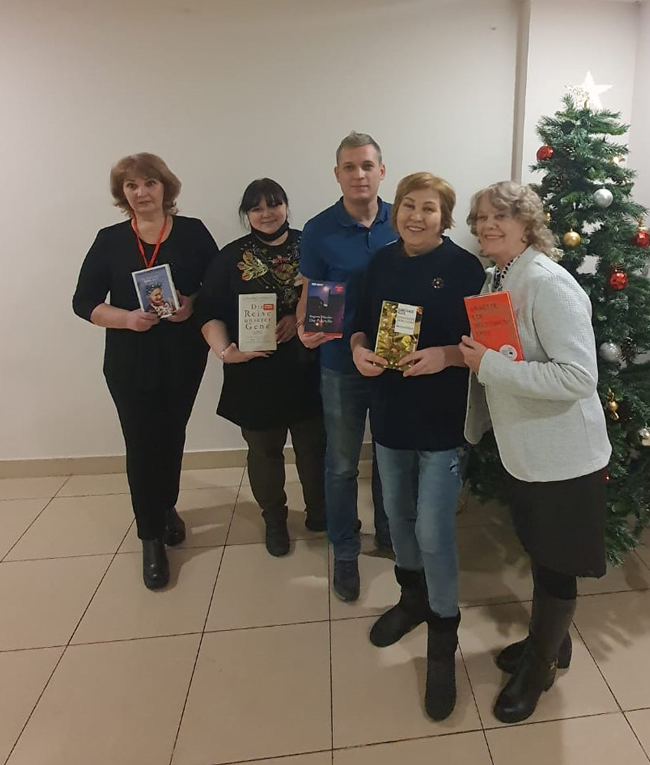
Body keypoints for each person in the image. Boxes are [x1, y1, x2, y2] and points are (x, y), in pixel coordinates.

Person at [460, 181, 612, 724]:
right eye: (480, 218)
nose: (486, 226)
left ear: (526, 223)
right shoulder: (498, 276)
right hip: (527, 450)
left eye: (499, 216)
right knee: (542, 551)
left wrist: (490, 367)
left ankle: (539, 667)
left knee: (556, 564)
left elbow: (578, 377)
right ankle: (551, 643)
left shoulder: (549, 283)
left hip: (564, 456)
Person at [351, 172, 484, 721]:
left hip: (442, 420)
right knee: (397, 516)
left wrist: (445, 356)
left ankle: (442, 639)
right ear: (395, 211)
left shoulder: (466, 269)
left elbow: (486, 345)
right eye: (408, 205)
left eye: (428, 208)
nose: (416, 216)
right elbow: (359, 325)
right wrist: (358, 350)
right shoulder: (380, 262)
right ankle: (412, 600)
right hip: (390, 413)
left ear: (444, 218)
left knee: (433, 529)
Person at [73, 153, 217, 590]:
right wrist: (126, 318)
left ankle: (166, 506)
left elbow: (216, 287)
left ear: (165, 187)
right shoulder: (109, 240)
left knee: (172, 435)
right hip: (129, 359)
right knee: (141, 443)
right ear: (123, 194)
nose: (141, 192)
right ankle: (150, 537)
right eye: (131, 186)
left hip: (183, 355)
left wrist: (191, 303)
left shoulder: (193, 232)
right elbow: (83, 302)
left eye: (149, 183)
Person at [197, 179, 325, 557]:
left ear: (286, 206)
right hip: (254, 372)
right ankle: (274, 520)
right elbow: (207, 310)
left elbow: (329, 295)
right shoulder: (230, 256)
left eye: (274, 204)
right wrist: (225, 351)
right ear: (246, 214)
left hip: (307, 366)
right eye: (257, 207)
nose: (267, 213)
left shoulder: (311, 246)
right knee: (264, 452)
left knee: (314, 448)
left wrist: (298, 320)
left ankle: (320, 512)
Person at [297, 131, 397, 602]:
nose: (359, 174)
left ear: (382, 171)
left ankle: (390, 533)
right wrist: (305, 326)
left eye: (367, 165)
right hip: (340, 362)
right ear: (337, 174)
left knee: (390, 456)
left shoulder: (405, 219)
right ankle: (345, 550)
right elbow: (311, 292)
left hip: (396, 360)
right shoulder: (318, 229)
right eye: (350, 167)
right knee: (340, 465)